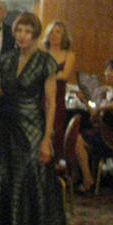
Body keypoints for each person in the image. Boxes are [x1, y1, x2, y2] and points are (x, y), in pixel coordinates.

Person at [0, 12, 68, 225]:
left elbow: (50, 102)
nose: (23, 36)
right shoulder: (5, 59)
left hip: (34, 129)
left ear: (36, 35)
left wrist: (47, 139)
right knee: (8, 184)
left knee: (36, 185)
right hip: (7, 129)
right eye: (19, 31)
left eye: (28, 31)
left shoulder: (45, 61)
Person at [74, 57, 113, 193]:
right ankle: (83, 177)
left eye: (110, 70)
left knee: (78, 140)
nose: (106, 73)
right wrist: (85, 101)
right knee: (75, 137)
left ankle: (88, 180)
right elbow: (96, 116)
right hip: (105, 133)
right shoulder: (109, 93)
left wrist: (101, 108)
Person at [42, 19, 77, 155]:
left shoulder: (69, 54)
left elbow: (65, 75)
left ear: (64, 36)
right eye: (51, 32)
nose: (54, 35)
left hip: (57, 99)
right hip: (41, 96)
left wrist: (45, 73)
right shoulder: (42, 52)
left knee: (55, 132)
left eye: (58, 32)